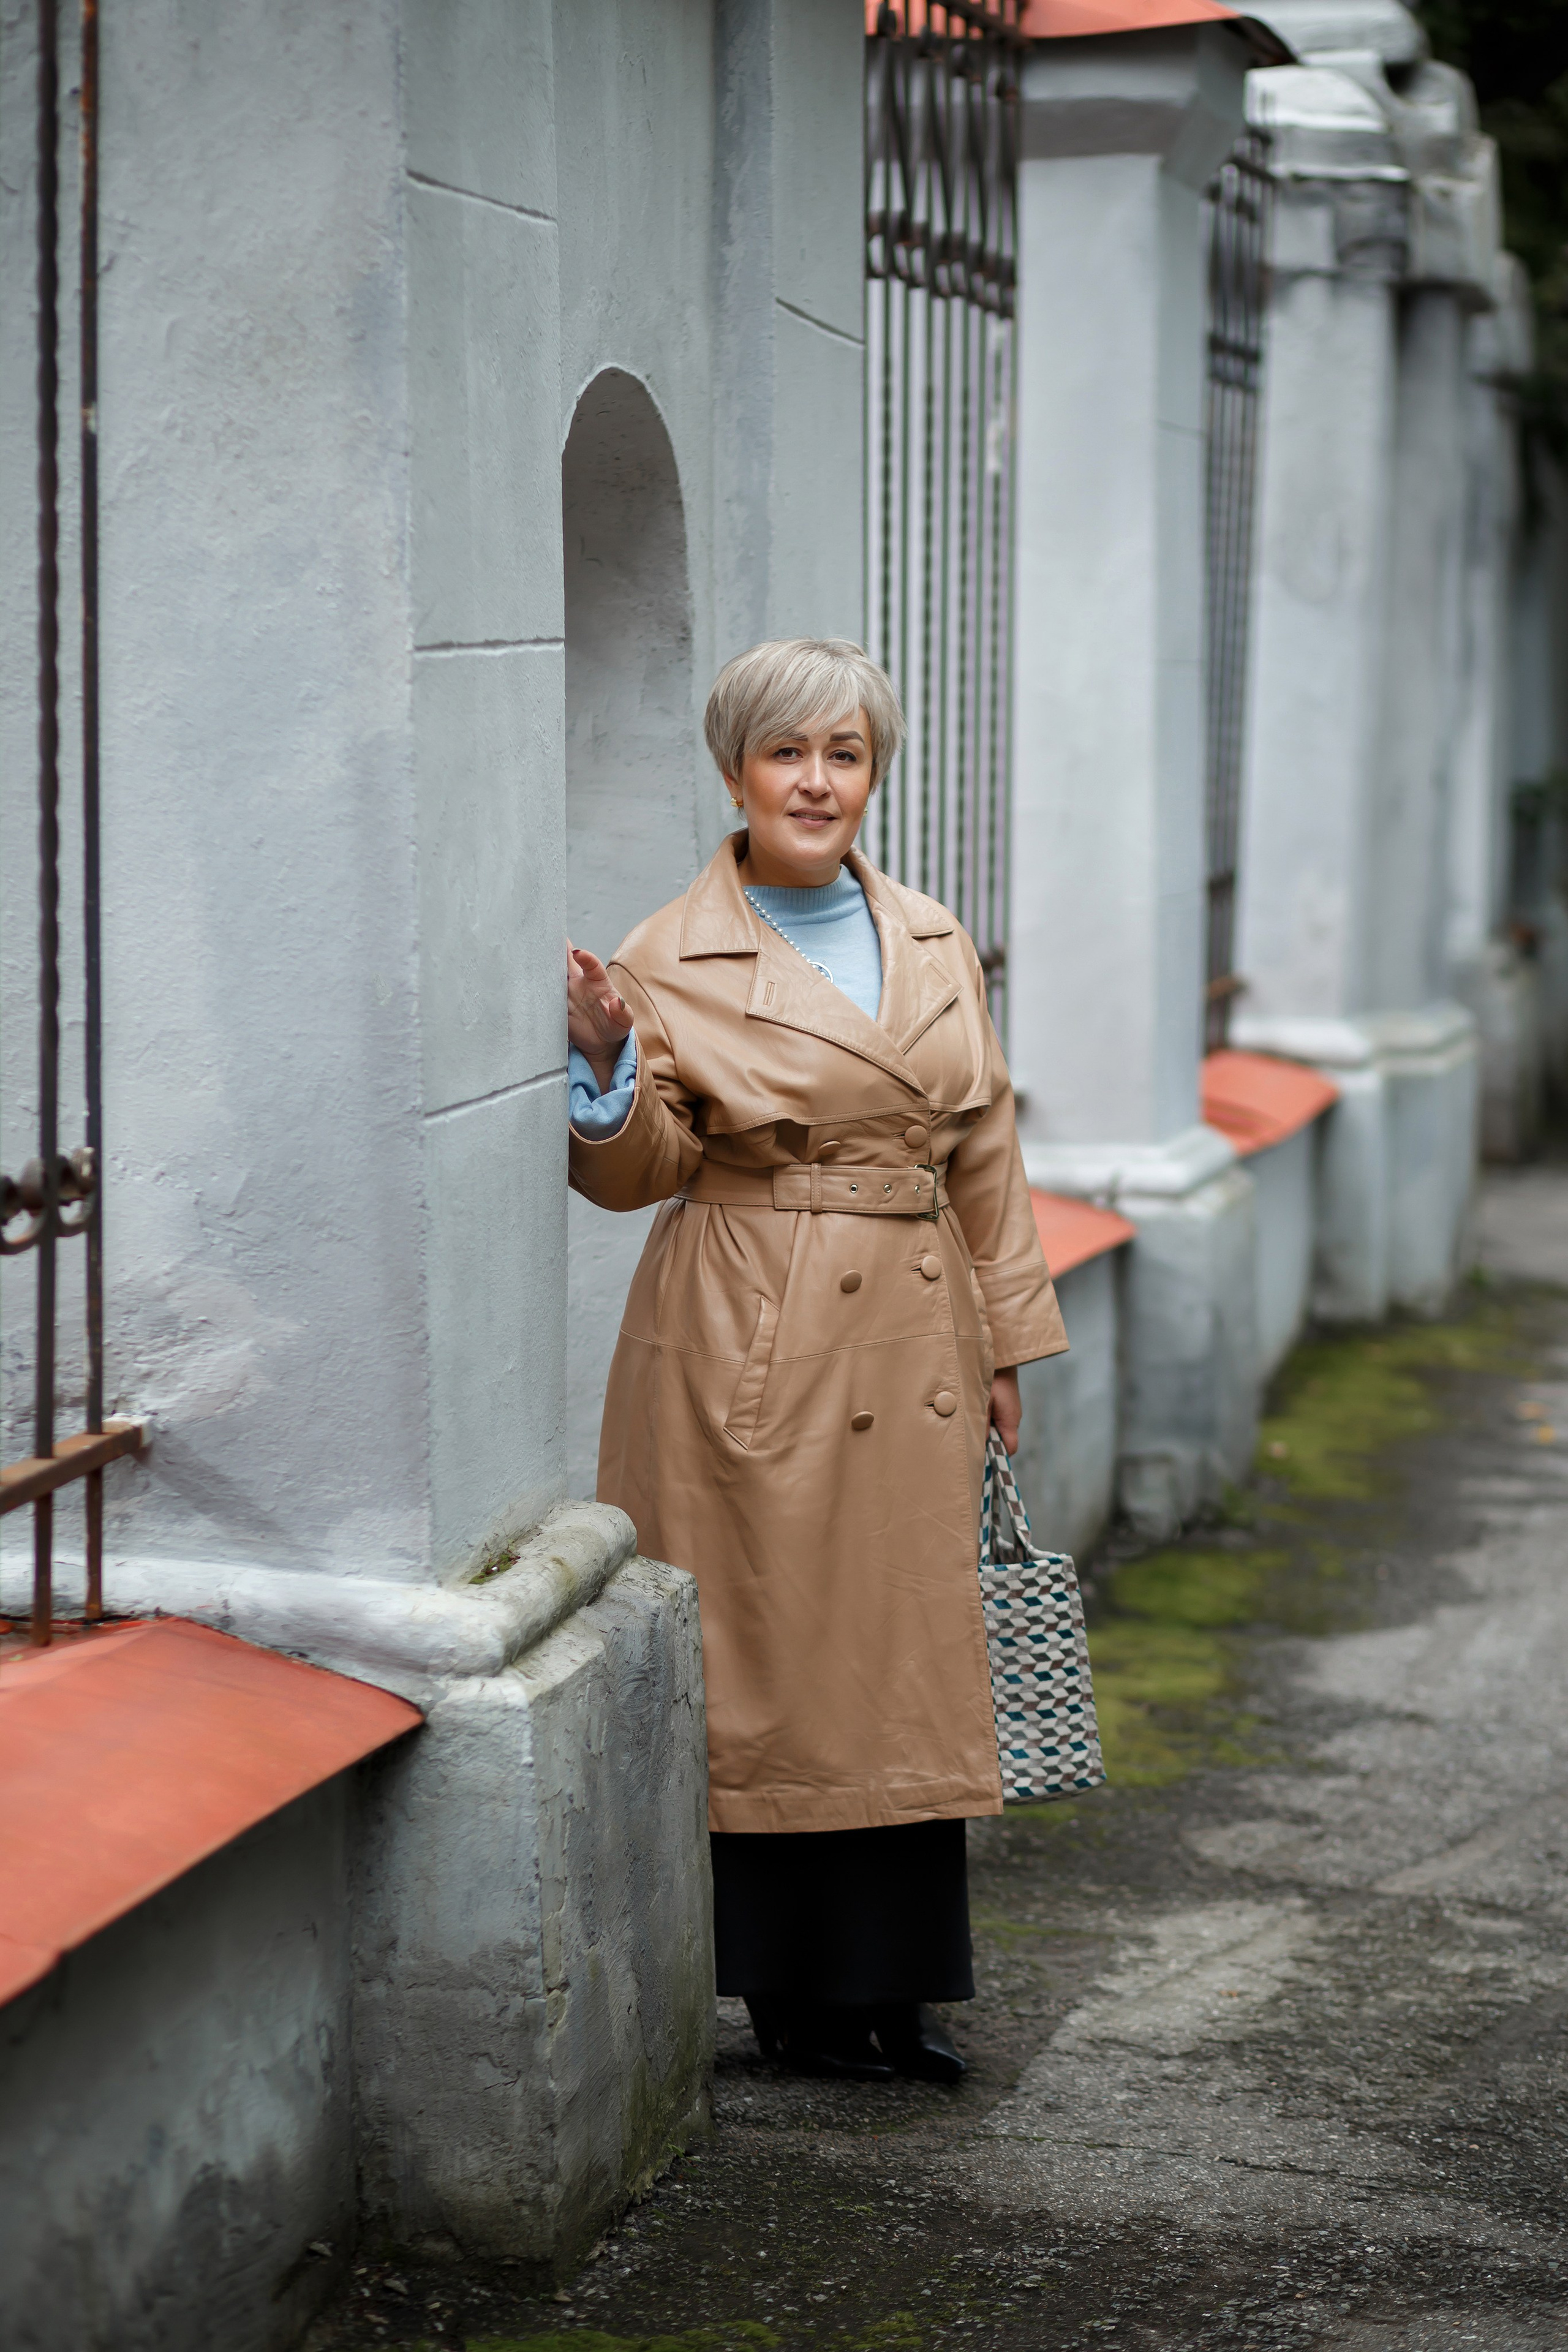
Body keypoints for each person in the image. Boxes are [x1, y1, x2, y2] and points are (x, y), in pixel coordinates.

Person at [566, 638, 1067, 2082]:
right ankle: (782, 1995)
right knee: (774, 1654)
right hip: (752, 1324)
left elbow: (981, 1144)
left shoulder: (926, 933)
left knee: (900, 1645)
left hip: (910, 1321)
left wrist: (1006, 1341)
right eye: (787, 753)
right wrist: (603, 1068)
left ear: (871, 775)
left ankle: (896, 1992)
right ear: (735, 771)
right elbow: (637, 1172)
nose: (815, 780)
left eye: (842, 755)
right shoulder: (669, 952)